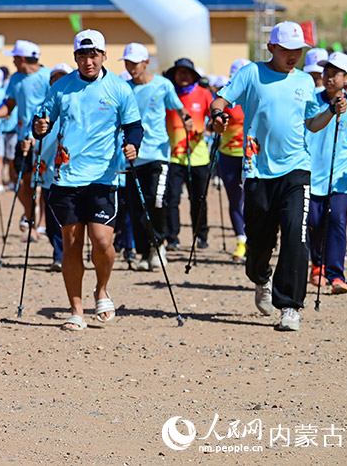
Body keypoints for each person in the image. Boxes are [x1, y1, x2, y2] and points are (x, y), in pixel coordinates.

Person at [211, 21, 346, 331]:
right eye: (286, 50)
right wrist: (218, 115)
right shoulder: (251, 74)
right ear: (271, 48)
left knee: (296, 236)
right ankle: (261, 278)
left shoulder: (304, 82)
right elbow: (221, 99)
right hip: (257, 169)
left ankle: (290, 306)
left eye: (298, 51)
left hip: (297, 169)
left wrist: (330, 113)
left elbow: (312, 123)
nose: (293, 56)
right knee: (259, 241)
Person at [33, 30, 142, 330]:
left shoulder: (119, 89)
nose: (88, 60)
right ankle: (76, 309)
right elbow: (42, 121)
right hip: (66, 177)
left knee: (103, 240)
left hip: (104, 176)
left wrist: (133, 144)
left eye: (93, 54)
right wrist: (40, 127)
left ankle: (101, 289)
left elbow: (134, 126)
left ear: (104, 56)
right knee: (71, 242)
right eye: (82, 55)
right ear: (75, 58)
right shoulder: (61, 87)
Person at [121, 43, 189, 270]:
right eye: (128, 63)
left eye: (135, 63)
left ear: (146, 62)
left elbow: (179, 107)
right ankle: (144, 252)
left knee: (157, 200)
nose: (131, 68)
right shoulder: (124, 88)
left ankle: (159, 243)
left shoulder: (162, 85)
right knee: (136, 205)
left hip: (158, 154)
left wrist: (186, 119)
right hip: (133, 156)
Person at [0, 41, 50, 241]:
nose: (13, 61)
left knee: (45, 182)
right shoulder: (15, 79)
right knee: (20, 181)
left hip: (45, 139)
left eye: (14, 57)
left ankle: (41, 225)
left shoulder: (48, 76)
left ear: (22, 58)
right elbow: (10, 105)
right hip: (23, 137)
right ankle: (30, 215)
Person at [306, 52, 347, 294]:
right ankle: (317, 264)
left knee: (337, 221)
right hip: (311, 175)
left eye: (334, 73)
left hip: (341, 179)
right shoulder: (311, 100)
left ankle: (336, 275)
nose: (328, 77)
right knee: (314, 223)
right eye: (326, 72)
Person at [163, 58, 214, 251]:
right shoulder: (169, 95)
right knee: (172, 199)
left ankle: (201, 235)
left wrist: (209, 128)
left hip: (199, 157)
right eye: (179, 72)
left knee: (198, 199)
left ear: (193, 75)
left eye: (187, 72)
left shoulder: (204, 94)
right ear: (174, 76)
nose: (183, 76)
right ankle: (172, 238)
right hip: (173, 157)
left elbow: (215, 116)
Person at [37, 62, 71, 272]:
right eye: (54, 78)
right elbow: (34, 130)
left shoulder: (74, 103)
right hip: (45, 168)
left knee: (64, 216)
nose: (57, 82)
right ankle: (59, 250)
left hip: (67, 170)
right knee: (50, 222)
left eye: (62, 77)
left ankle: (61, 255)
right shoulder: (44, 106)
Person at [218, 58, 251, 261]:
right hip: (228, 154)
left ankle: (257, 238)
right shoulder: (225, 96)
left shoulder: (257, 95)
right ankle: (241, 240)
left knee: (254, 198)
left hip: (251, 154)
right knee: (235, 199)